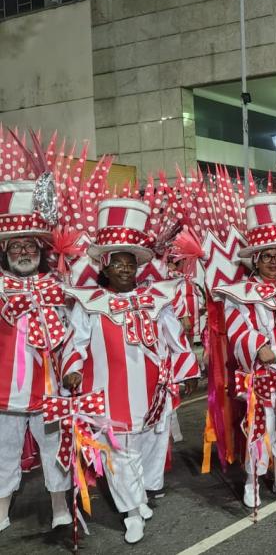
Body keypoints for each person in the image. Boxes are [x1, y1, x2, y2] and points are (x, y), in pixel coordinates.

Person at [62, 199, 198, 544]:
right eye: (117, 263)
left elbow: (175, 338)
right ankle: (132, 512)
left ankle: (142, 494)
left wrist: (186, 371)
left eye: (130, 263)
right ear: (104, 269)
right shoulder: (89, 304)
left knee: (151, 449)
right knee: (121, 456)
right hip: (109, 396)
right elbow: (73, 345)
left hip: (154, 394)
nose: (125, 268)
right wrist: (72, 371)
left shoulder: (154, 299)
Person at [214, 193, 276, 508]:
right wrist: (260, 347)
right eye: (266, 255)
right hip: (261, 372)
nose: (273, 261)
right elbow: (237, 329)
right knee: (261, 426)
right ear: (256, 259)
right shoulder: (240, 293)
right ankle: (253, 480)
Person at [0, 180, 71, 532]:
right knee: (2, 455)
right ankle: (1, 511)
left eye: (30, 245)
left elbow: (74, 333)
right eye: (17, 246)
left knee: (55, 451)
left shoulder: (57, 286)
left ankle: (60, 506)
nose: (25, 252)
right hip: (4, 393)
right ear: (6, 251)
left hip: (50, 391)